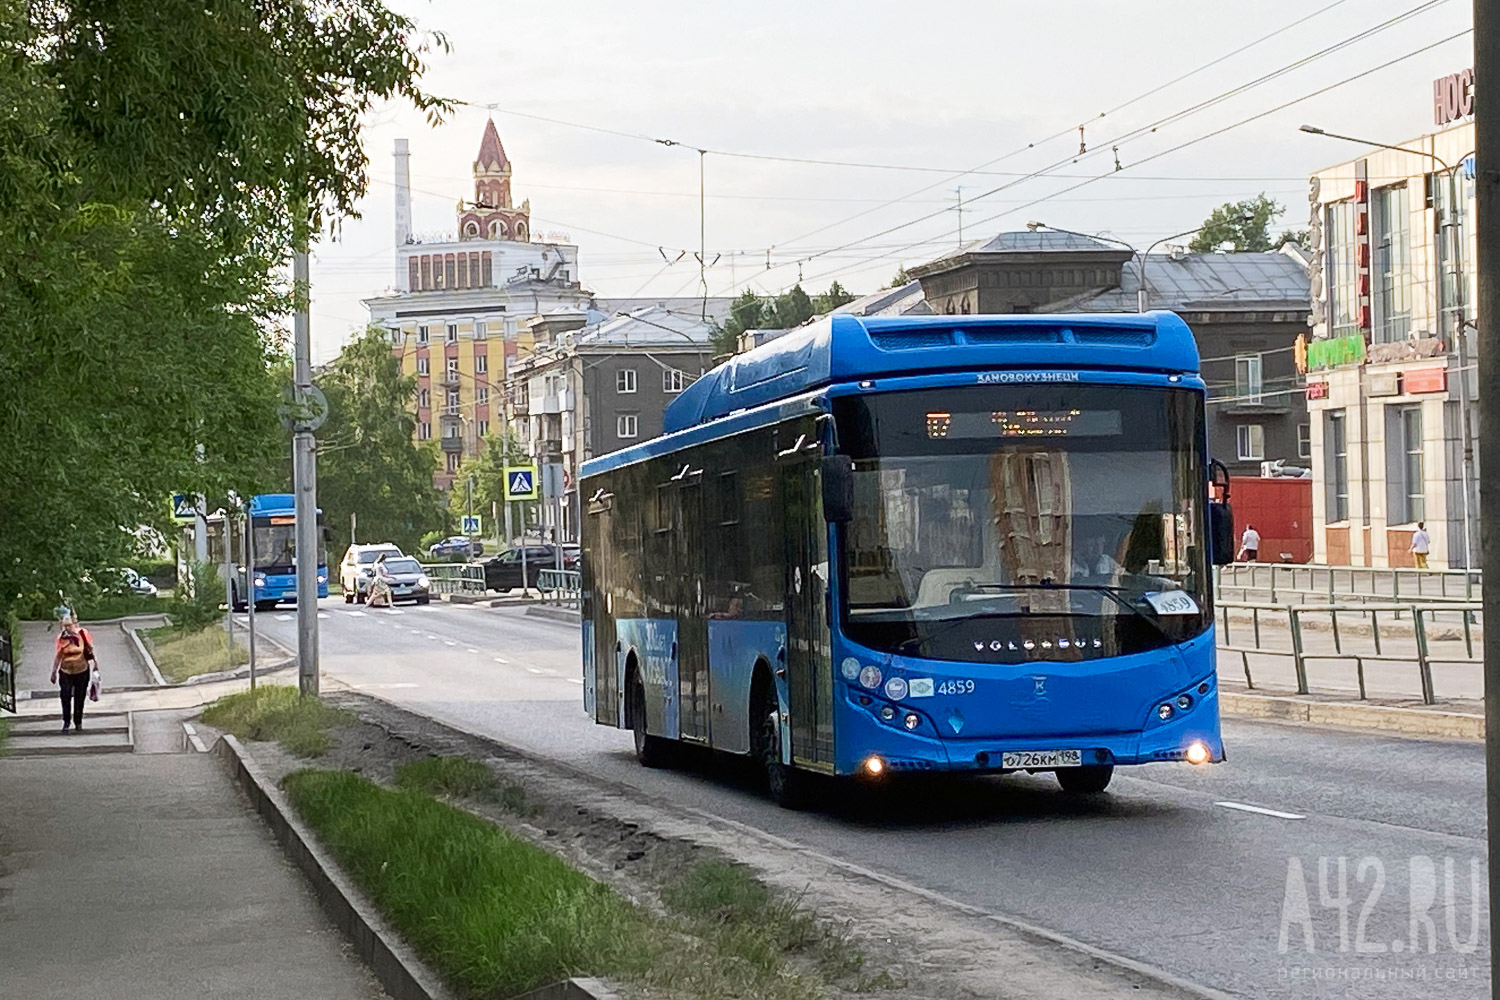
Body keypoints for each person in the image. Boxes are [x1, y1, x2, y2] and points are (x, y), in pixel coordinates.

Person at [49, 609, 99, 733]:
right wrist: (54, 671)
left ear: (74, 624)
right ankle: (66, 722)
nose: (67, 628)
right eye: (64, 626)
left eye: (69, 625)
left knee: (79, 696)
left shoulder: (82, 634)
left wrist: (96, 664)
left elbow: (90, 648)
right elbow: (59, 655)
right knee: (65, 696)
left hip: (82, 670)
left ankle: (78, 722)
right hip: (66, 671)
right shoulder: (62, 638)